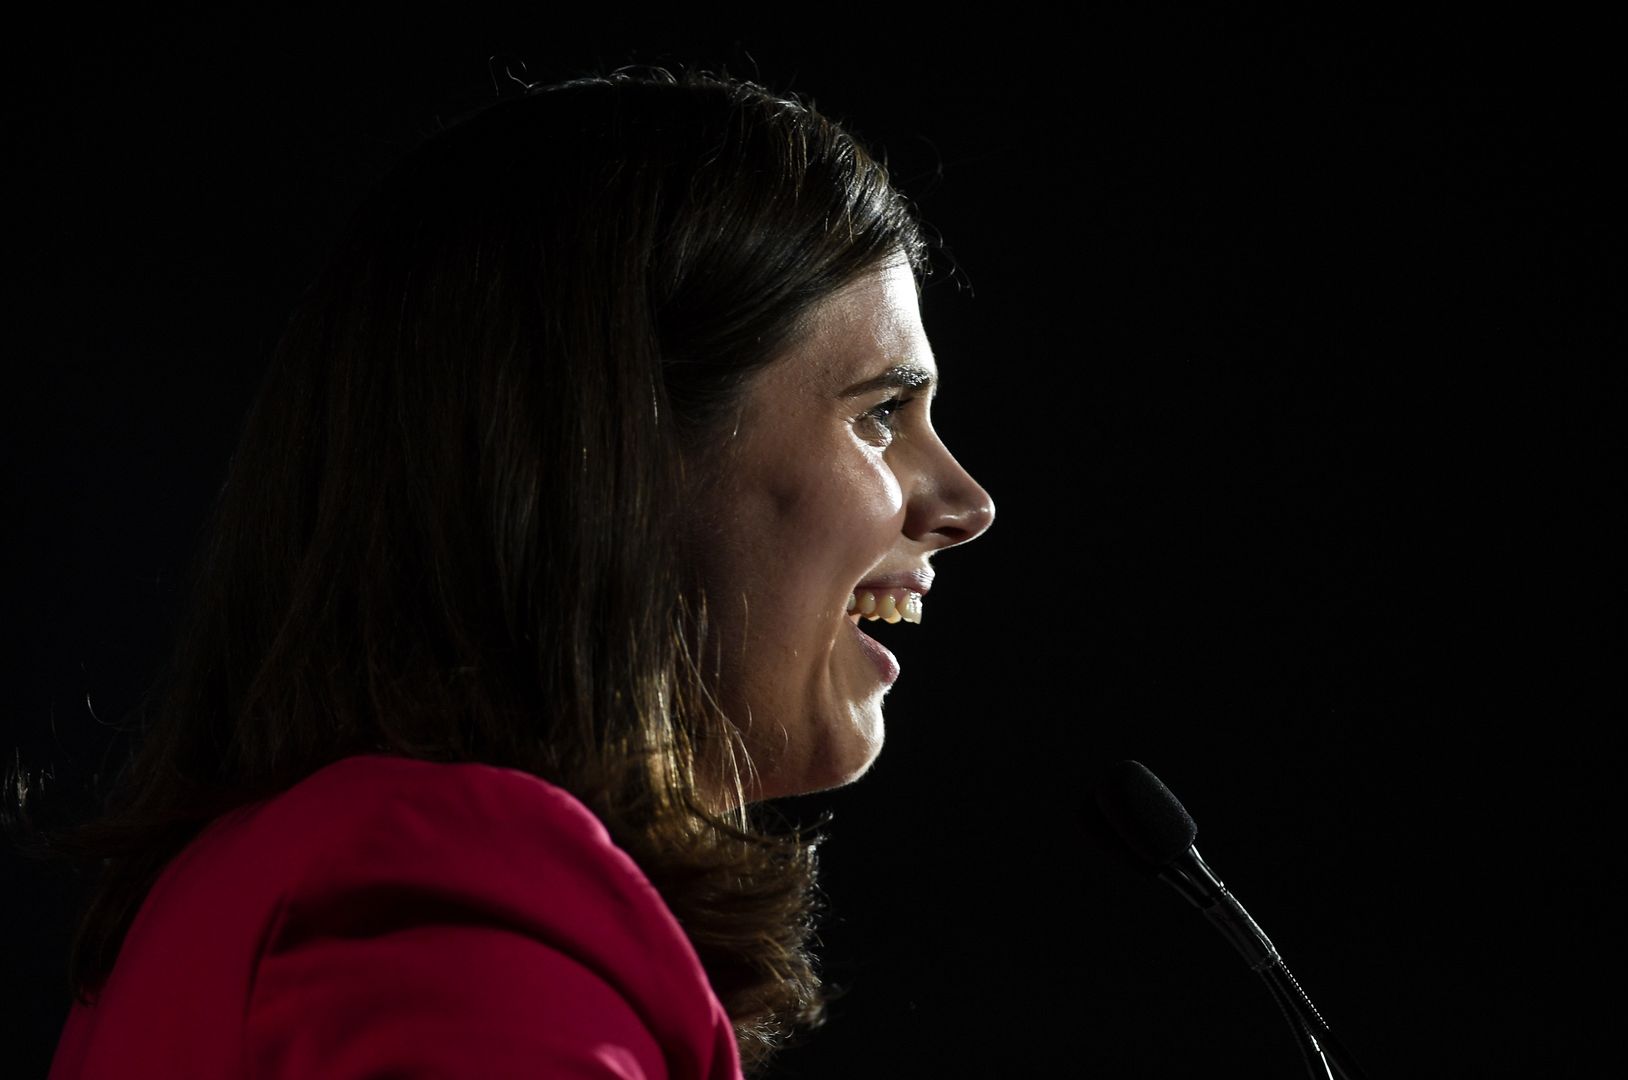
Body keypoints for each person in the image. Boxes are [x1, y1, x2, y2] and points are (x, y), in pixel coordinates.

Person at [24, 67, 994, 1077]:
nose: (968, 505)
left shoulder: (280, 884)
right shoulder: (443, 911)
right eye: (880, 415)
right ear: (621, 451)